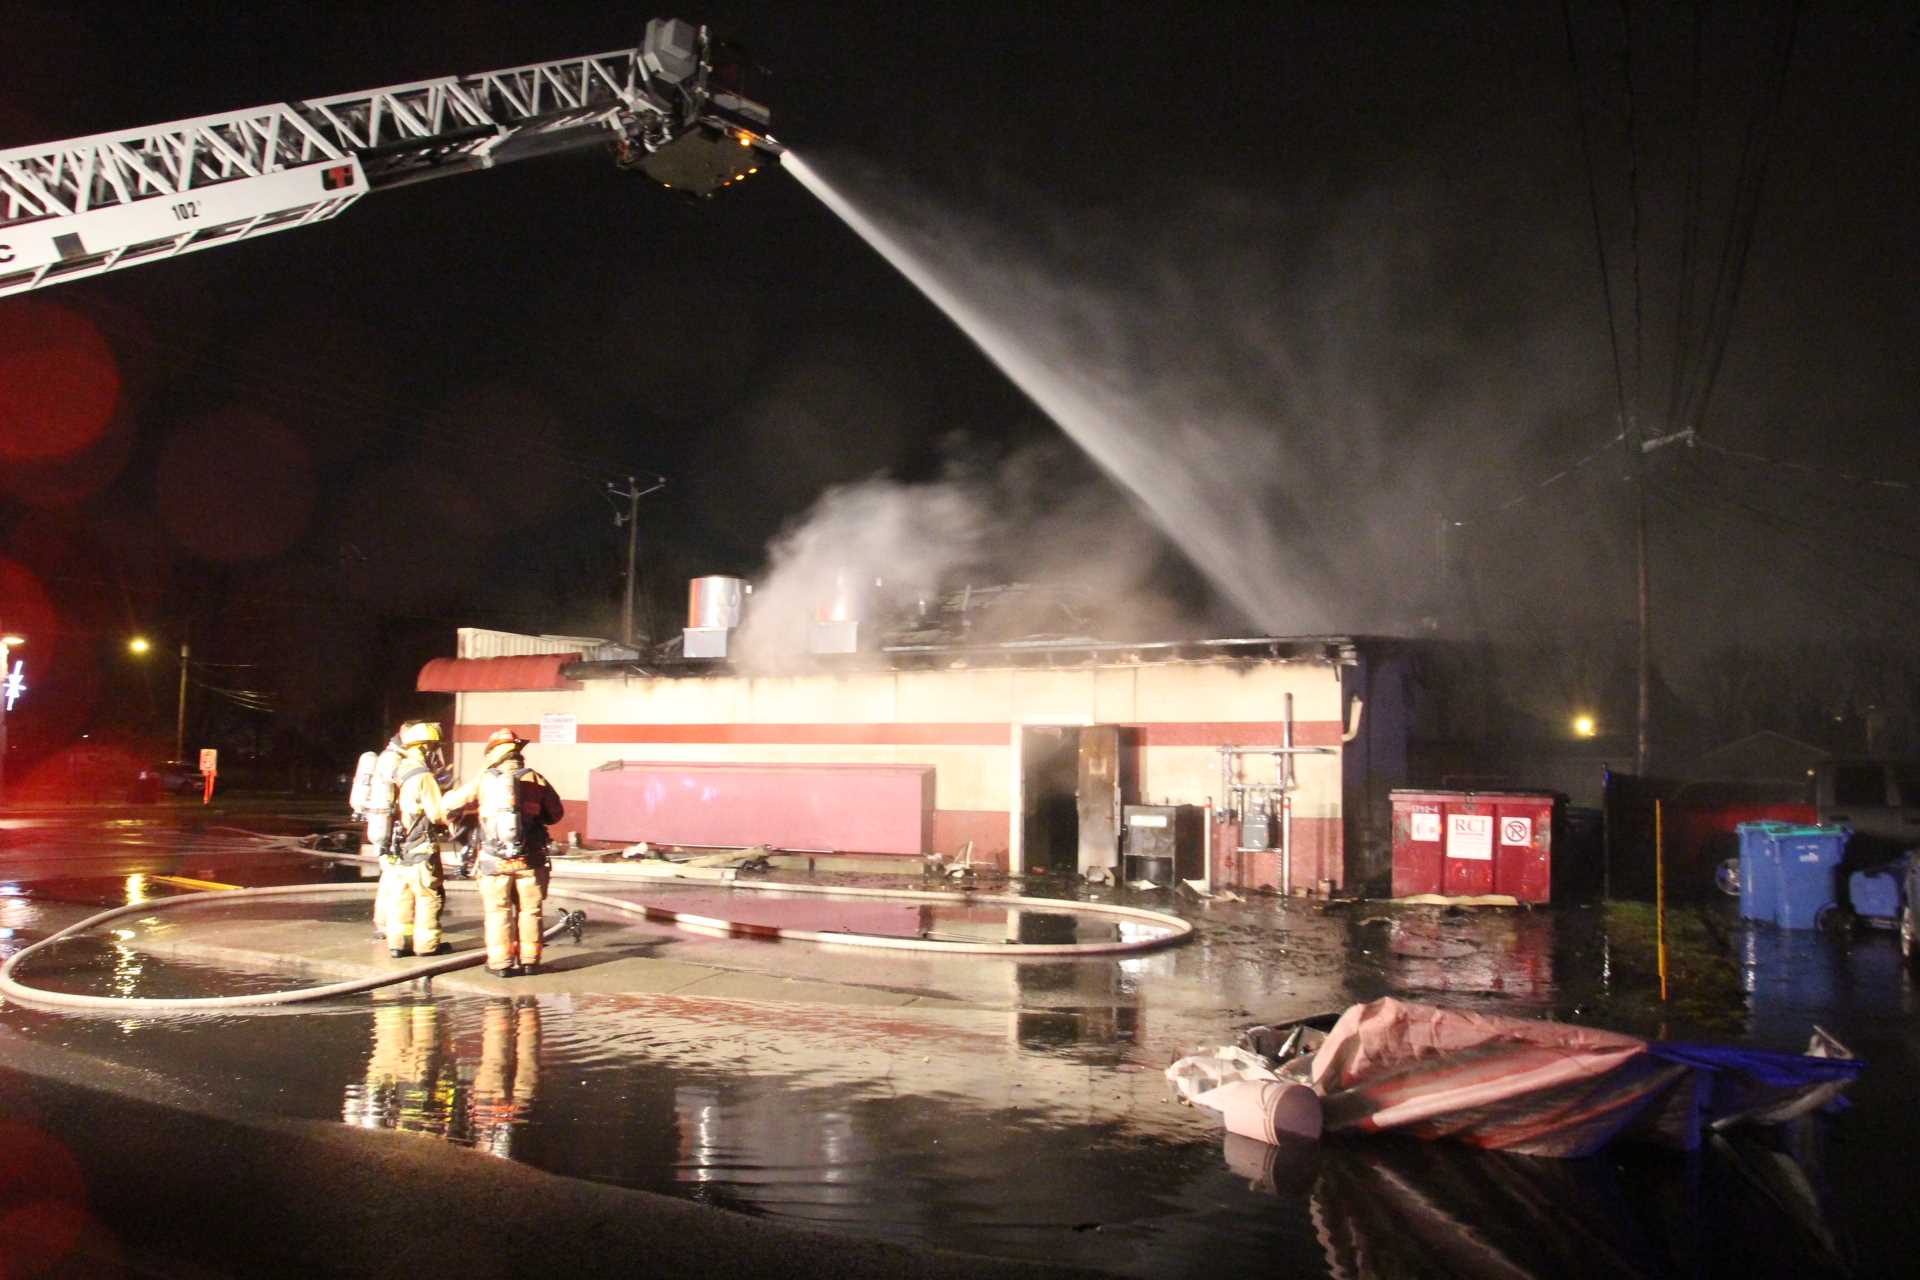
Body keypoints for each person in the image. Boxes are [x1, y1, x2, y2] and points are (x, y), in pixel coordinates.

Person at [445, 728, 563, 977]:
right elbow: (556, 814)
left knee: (498, 911)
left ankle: (501, 964)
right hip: (530, 860)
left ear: (492, 754)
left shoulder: (485, 779)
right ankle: (530, 961)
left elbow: (449, 805)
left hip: (493, 861)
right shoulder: (535, 779)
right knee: (530, 910)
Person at [385, 720, 453, 958]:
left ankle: (398, 944)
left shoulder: (399, 770)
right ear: (425, 748)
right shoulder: (424, 776)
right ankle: (426, 946)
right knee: (427, 894)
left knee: (403, 894)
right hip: (421, 843)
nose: (435, 754)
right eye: (434, 748)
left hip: (400, 844)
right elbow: (436, 813)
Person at [351, 723, 410, 941]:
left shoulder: (387, 757)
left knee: (389, 875)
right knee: (396, 877)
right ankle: (390, 924)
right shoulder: (395, 760)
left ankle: (383, 922)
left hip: (382, 826)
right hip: (391, 828)